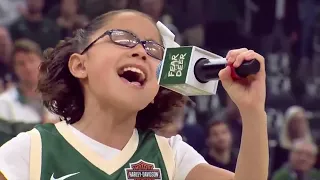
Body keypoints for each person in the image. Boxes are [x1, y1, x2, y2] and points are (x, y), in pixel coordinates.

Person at [0, 9, 268, 180]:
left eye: (153, 49)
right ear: (80, 66)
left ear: (155, 89)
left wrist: (253, 111)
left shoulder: (171, 156)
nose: (140, 50)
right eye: (122, 38)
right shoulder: (30, 150)